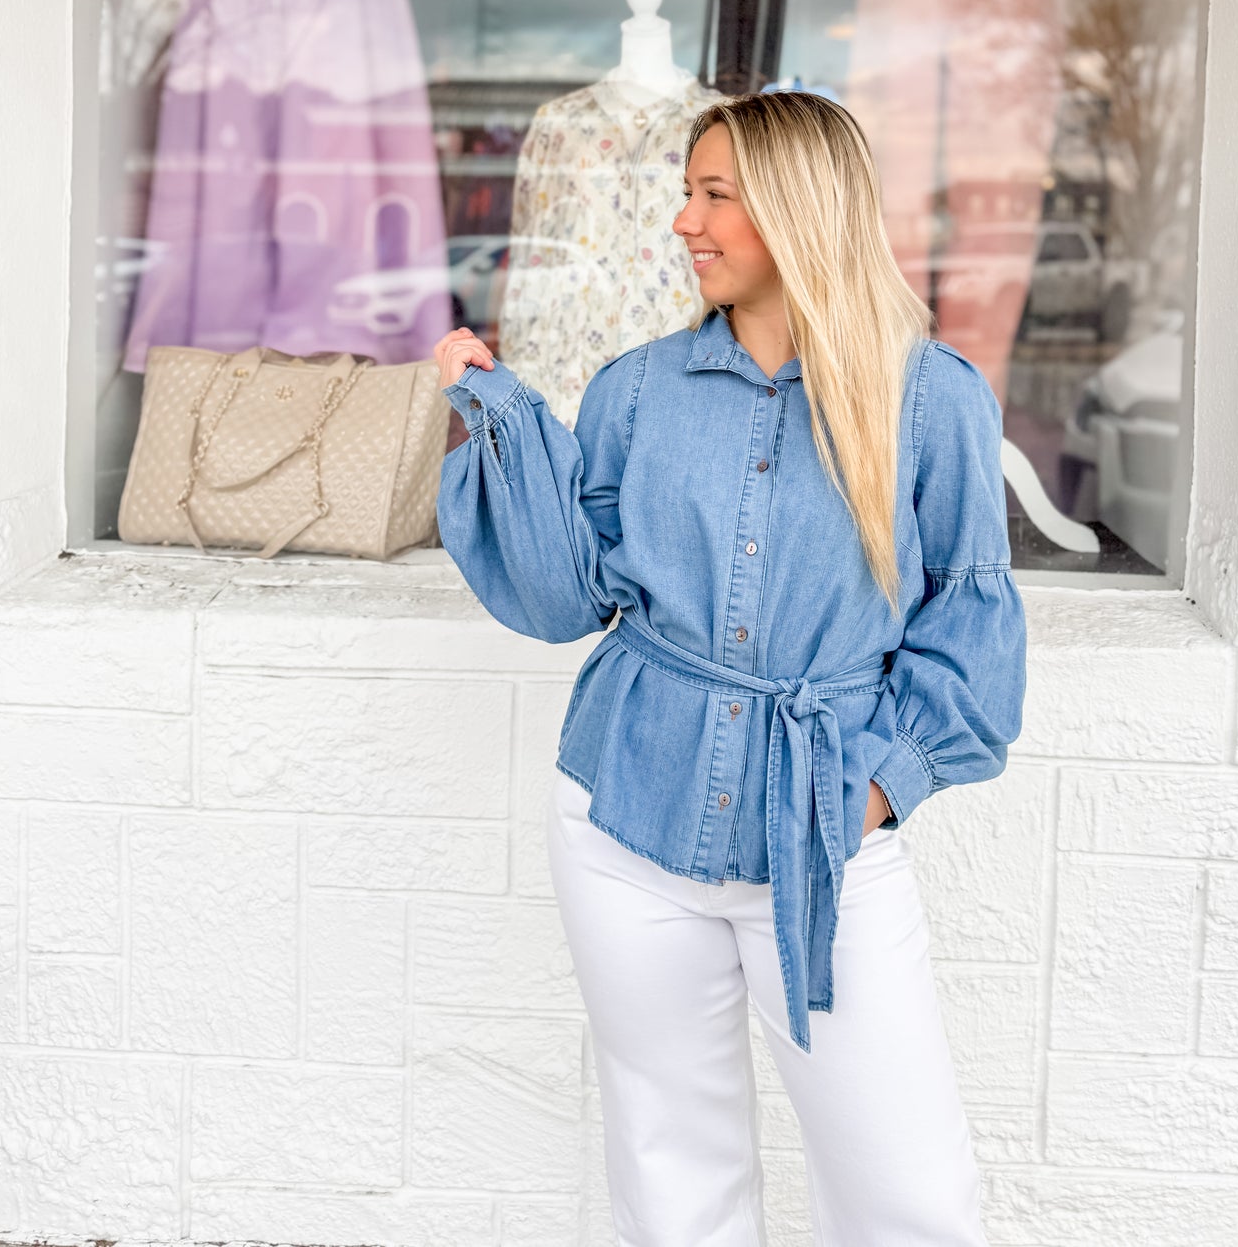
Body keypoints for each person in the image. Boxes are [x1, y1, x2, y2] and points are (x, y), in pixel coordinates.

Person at [434, 89, 1025, 1247]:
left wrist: (868, 791)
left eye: (715, 195)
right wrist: (491, 418)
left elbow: (969, 624)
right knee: (671, 1170)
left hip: (821, 838)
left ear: (798, 212)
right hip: (623, 821)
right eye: (686, 194)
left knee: (909, 1191)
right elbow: (567, 597)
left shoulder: (930, 399)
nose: (682, 223)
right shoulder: (637, 389)